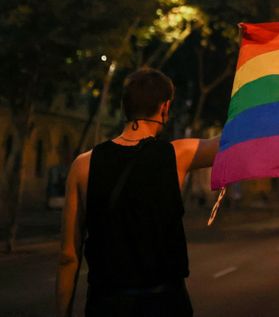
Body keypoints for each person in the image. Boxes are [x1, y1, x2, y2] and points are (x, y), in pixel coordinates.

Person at [56, 68, 220, 317]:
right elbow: (230, 143)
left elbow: (69, 256)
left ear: (125, 107)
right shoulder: (176, 155)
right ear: (165, 107)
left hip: (107, 305)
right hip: (164, 304)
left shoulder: (83, 165)